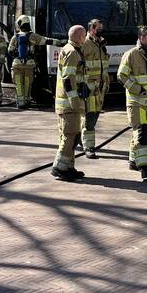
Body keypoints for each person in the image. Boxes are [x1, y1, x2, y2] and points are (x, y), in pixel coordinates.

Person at [117, 25, 147, 180]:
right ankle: (145, 166)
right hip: (136, 101)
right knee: (142, 133)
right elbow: (122, 75)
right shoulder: (131, 54)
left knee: (139, 132)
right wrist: (138, 89)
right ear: (142, 37)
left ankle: (133, 161)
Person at [52, 25, 88, 182]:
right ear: (79, 37)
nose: (85, 38)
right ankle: (59, 167)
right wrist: (75, 102)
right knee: (70, 136)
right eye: (84, 35)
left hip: (66, 103)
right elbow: (68, 80)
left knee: (72, 135)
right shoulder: (73, 53)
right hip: (69, 105)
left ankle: (69, 167)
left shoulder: (68, 49)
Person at [8, 15, 63, 109]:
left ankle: (20, 102)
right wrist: (60, 42)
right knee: (28, 83)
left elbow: (10, 51)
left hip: (17, 64)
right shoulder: (33, 36)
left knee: (18, 82)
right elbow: (46, 41)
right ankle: (27, 100)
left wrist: (17, 57)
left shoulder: (15, 37)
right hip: (29, 64)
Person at [80, 18, 109, 159]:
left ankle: (80, 138)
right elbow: (79, 67)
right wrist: (82, 85)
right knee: (90, 117)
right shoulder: (84, 44)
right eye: (98, 29)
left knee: (95, 115)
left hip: (100, 88)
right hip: (89, 88)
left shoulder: (101, 44)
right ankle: (89, 147)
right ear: (91, 29)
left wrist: (106, 82)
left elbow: (103, 66)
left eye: (101, 29)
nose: (101, 31)